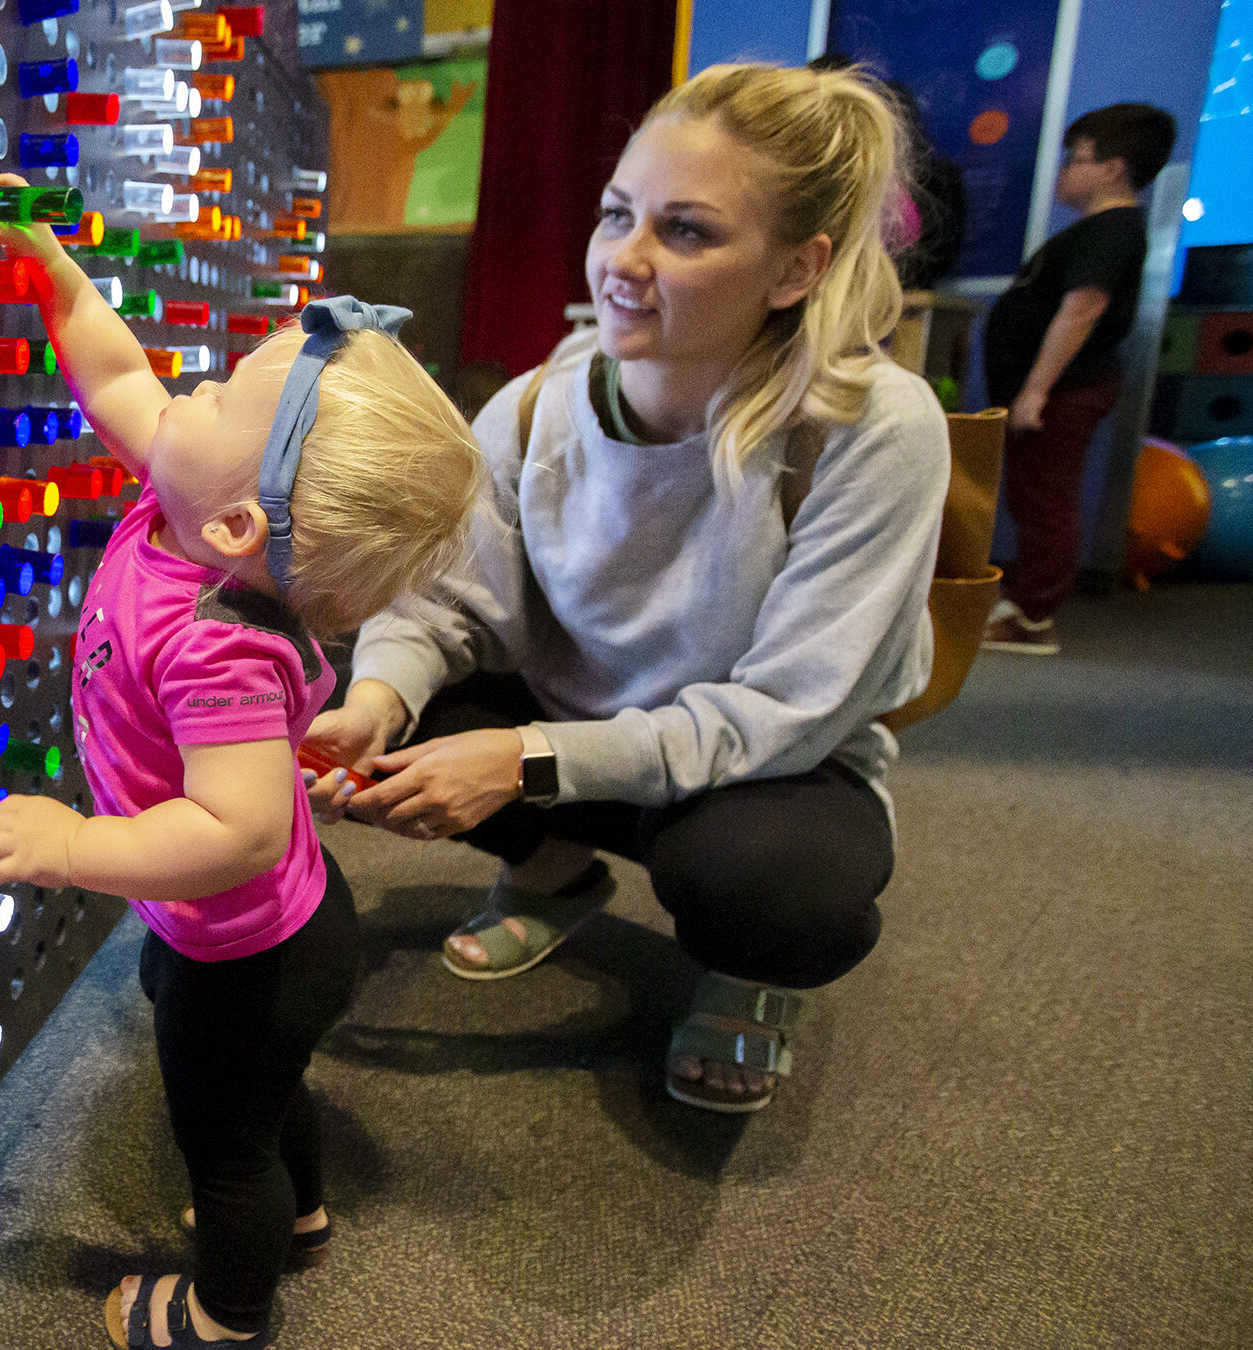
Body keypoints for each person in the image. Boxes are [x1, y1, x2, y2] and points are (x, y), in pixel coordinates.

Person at [304, 62, 949, 1115]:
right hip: (581, 745)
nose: (624, 260)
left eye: (686, 232)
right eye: (618, 215)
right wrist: (376, 702)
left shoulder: (872, 428)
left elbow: (786, 712)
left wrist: (523, 759)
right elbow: (439, 606)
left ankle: (751, 972)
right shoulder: (531, 409)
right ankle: (558, 873)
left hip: (762, 775)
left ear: (796, 269)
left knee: (778, 888)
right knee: (388, 695)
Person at [0, 175, 485, 1347]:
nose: (187, 384)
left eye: (217, 391)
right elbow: (117, 378)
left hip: (255, 948)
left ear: (245, 523)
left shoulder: (218, 647)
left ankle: (225, 1311)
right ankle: (302, 1217)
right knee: (263, 1089)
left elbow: (237, 831)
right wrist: (54, 272)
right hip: (254, 929)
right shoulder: (189, 505)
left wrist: (74, 845)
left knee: (224, 1134)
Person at [980, 103, 1177, 655]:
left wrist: (1037, 389)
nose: (1065, 170)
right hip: (1055, 388)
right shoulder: (1098, 231)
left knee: (1046, 500)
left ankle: (1031, 618)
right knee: (1033, 495)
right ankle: (1024, 601)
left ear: (1113, 168)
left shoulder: (1112, 230)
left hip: (1064, 390)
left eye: (1078, 158)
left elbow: (1083, 307)